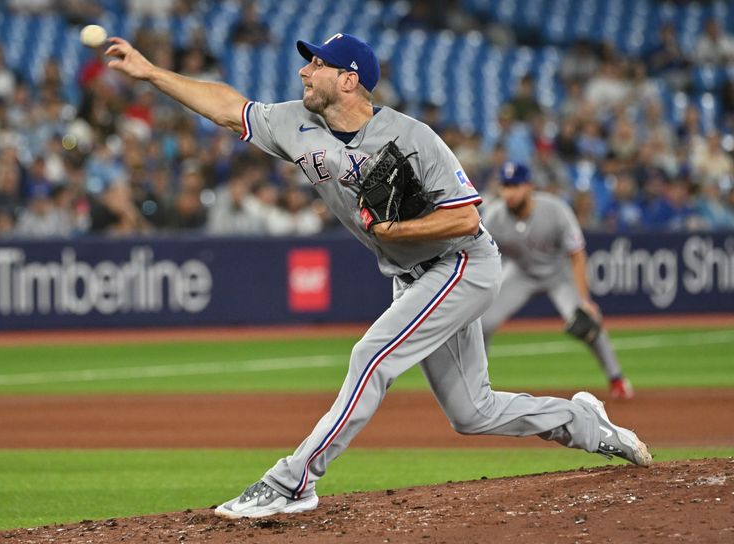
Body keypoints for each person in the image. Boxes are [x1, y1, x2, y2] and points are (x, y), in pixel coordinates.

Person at [105, 32, 651, 519]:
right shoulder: (297, 122)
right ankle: (585, 423)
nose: (303, 72)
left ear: (348, 80)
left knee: (372, 355)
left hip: (462, 262)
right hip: (413, 276)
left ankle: (294, 480)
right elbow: (230, 108)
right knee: (472, 411)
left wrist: (393, 232)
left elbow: (465, 216)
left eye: (315, 64)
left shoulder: (413, 137)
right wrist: (151, 73)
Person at [480, 162, 634, 399]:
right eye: (505, 186)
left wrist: (585, 300)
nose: (509, 192)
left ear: (529, 186)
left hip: (558, 274)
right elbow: (478, 254)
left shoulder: (555, 209)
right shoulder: (494, 216)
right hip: (520, 273)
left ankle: (617, 379)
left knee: (588, 322)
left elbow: (577, 253)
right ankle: (477, 383)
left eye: (515, 186)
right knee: (481, 322)